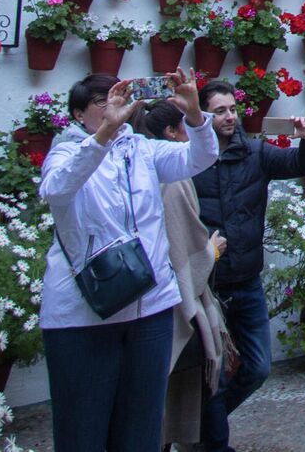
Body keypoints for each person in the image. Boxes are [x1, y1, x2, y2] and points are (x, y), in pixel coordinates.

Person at [39, 70, 219, 452]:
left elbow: (201, 157)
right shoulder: (67, 151)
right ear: (77, 114)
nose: (115, 108)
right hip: (84, 315)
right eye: (103, 102)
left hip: (150, 309)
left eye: (120, 98)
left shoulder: (143, 150)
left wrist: (195, 115)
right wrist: (103, 136)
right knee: (82, 433)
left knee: (141, 431)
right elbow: (56, 189)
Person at [191, 79, 305, 452]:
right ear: (201, 116)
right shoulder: (188, 160)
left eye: (232, 109)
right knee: (210, 376)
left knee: (258, 368)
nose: (230, 116)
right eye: (220, 111)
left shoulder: (255, 153)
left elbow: (299, 163)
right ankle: (213, 444)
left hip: (246, 281)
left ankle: (200, 428)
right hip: (207, 284)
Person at [139, 99, 237, 450]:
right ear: (171, 132)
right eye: (191, 126)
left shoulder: (148, 165)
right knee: (185, 398)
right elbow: (184, 249)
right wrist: (210, 251)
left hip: (152, 300)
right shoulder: (172, 176)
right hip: (174, 304)